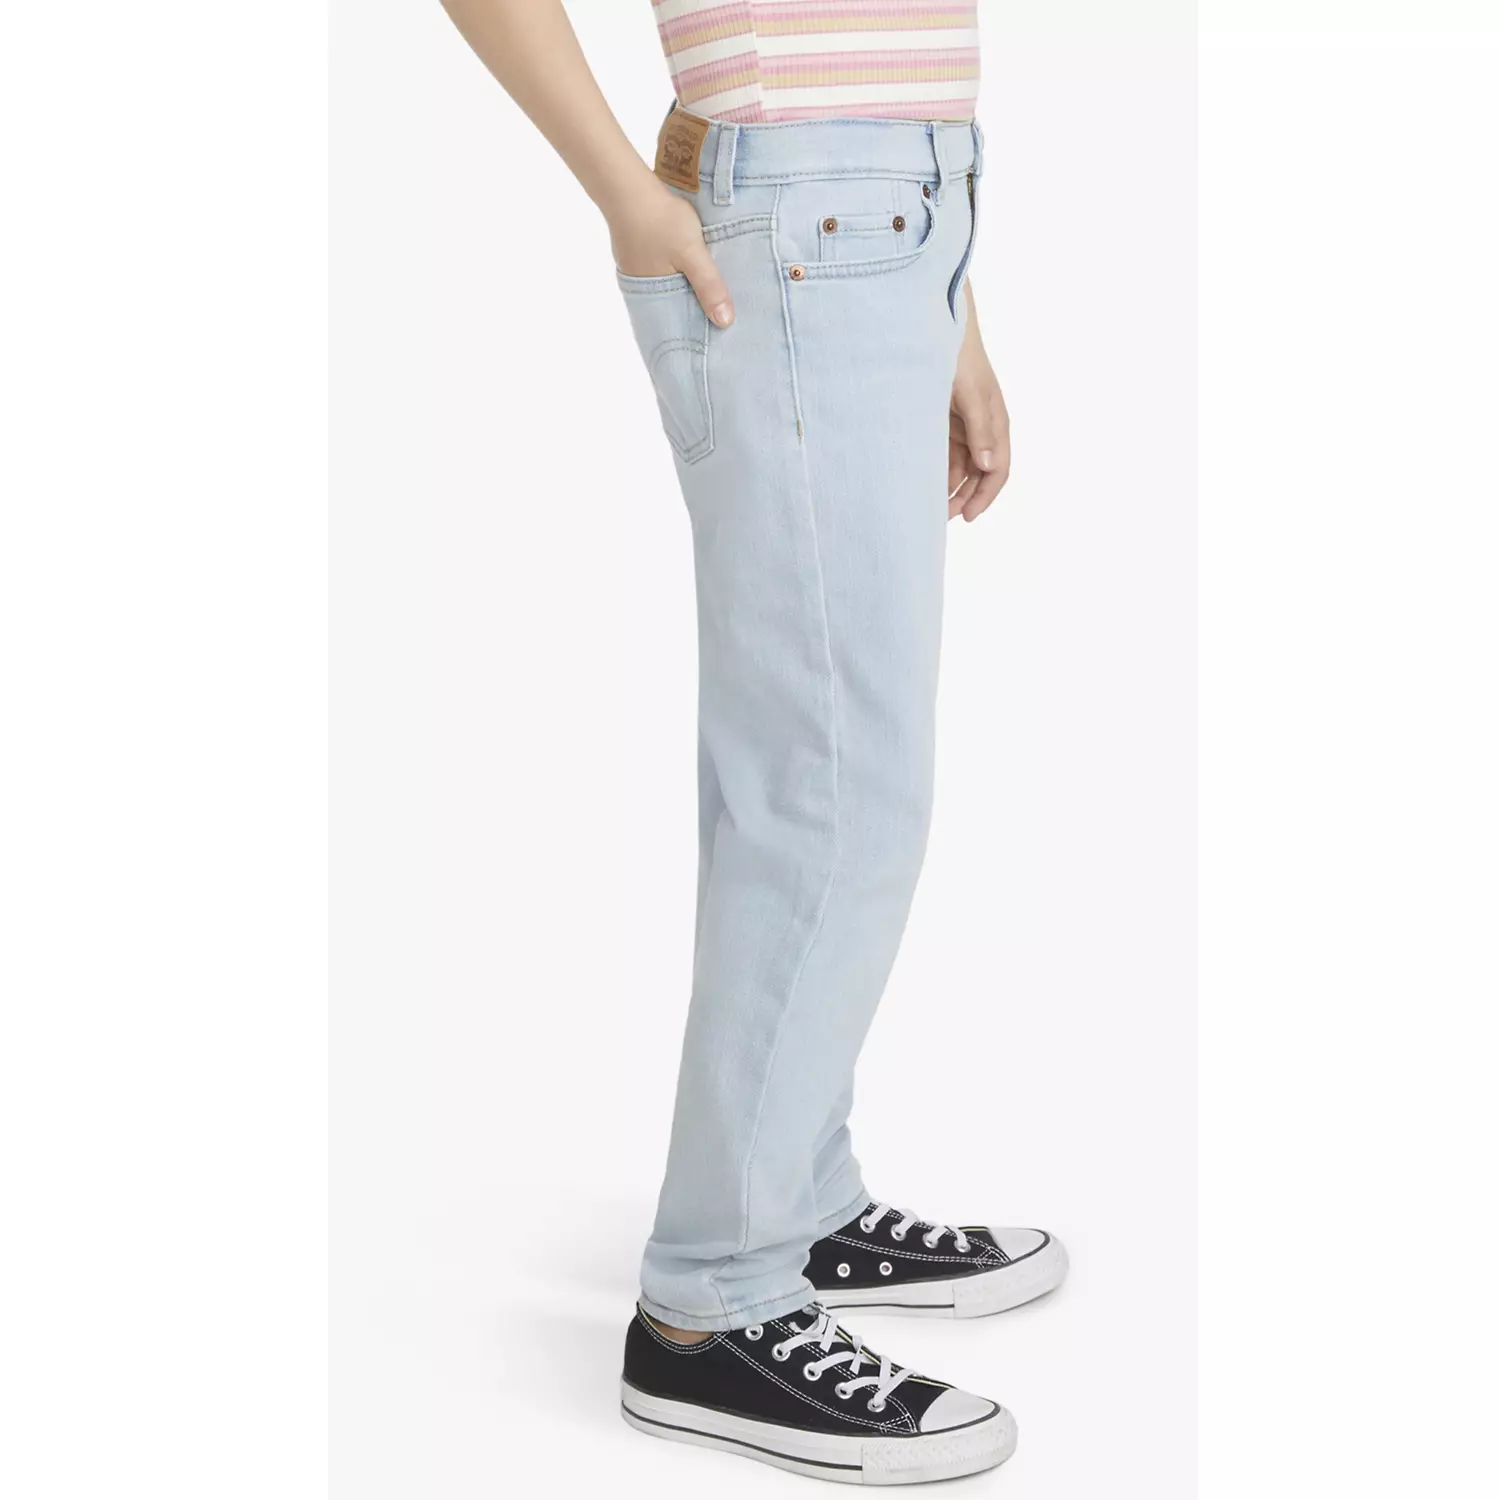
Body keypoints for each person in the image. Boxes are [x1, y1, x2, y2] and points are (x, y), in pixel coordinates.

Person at [440, 0, 1068, 1483]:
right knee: (832, 791)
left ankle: (793, 1193)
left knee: (800, 769)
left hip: (888, 225)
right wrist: (622, 191)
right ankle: (711, 1302)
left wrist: (954, 313)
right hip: (805, 227)